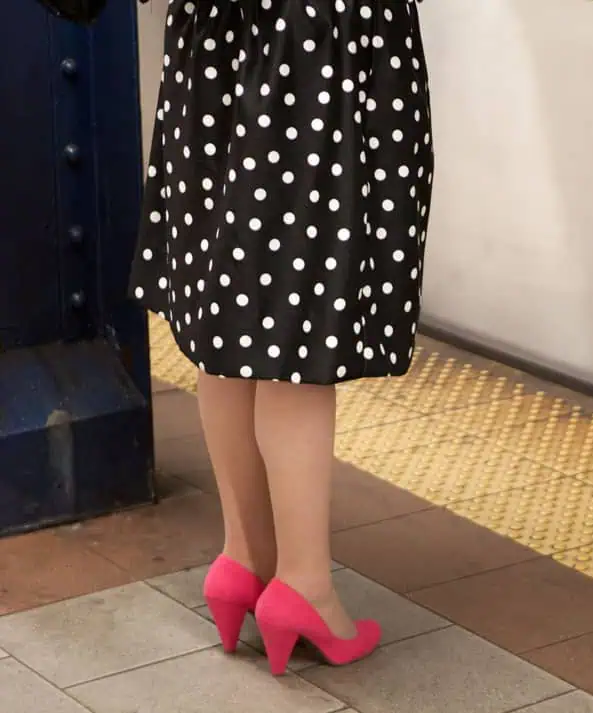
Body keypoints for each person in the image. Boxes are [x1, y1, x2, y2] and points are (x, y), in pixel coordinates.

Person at [129, 0, 433, 675]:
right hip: (320, 41)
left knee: (231, 310)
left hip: (213, 36)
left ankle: (245, 559)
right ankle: (305, 584)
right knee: (299, 324)